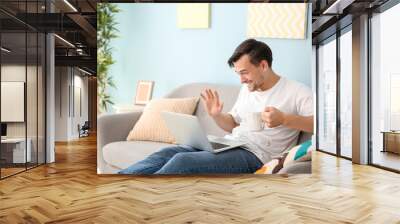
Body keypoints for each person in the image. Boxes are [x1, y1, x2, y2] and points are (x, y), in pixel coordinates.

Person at [119, 39, 314, 174]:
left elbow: (319, 126)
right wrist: (216, 115)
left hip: (256, 155)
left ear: (263, 65)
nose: (241, 80)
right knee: (168, 153)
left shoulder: (296, 91)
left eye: (244, 72)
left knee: (182, 162)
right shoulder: (248, 89)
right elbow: (233, 125)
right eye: (238, 74)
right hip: (232, 143)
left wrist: (285, 119)